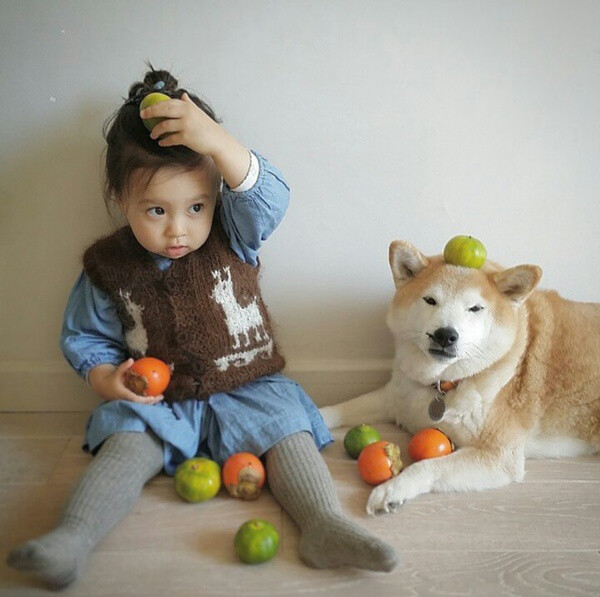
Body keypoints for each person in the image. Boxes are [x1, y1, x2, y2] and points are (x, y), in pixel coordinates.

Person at [6, 66, 398, 589]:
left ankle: (324, 526)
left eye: (196, 207)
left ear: (215, 195)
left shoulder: (234, 234)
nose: (178, 228)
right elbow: (85, 337)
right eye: (155, 210)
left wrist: (217, 143)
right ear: (120, 200)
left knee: (287, 425)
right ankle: (72, 537)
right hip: (161, 402)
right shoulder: (108, 265)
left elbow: (269, 199)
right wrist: (108, 380)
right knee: (125, 435)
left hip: (249, 387)